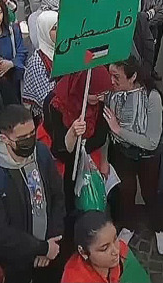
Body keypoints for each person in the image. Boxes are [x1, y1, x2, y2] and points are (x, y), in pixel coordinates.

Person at [0, 105, 66, 283]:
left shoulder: (41, 152)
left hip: (51, 249)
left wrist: (53, 238)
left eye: (32, 133)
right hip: (16, 261)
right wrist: (41, 248)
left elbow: (57, 195)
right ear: (5, 139)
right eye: (23, 138)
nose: (30, 140)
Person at [104, 57, 163, 253]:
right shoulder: (111, 94)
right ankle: (128, 225)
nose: (112, 81)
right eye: (110, 76)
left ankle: (160, 227)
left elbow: (151, 141)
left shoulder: (152, 97)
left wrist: (119, 130)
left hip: (147, 157)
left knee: (151, 193)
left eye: (117, 77)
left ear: (132, 77)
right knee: (126, 192)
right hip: (122, 154)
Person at [41, 66, 112, 209]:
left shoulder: (99, 103)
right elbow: (59, 150)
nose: (100, 98)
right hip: (63, 166)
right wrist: (72, 134)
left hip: (90, 163)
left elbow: (101, 136)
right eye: (94, 93)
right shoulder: (56, 103)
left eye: (103, 93)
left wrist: (103, 161)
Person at [22, 10, 59, 113]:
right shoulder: (37, 61)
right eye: (55, 28)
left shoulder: (64, 52)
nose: (60, 31)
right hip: (48, 115)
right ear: (44, 31)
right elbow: (45, 99)